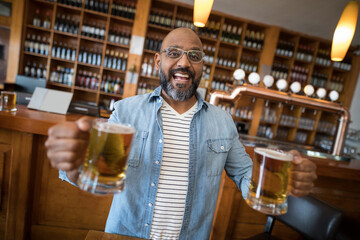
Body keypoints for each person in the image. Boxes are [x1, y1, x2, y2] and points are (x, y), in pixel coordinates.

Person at [45, 27, 317, 240]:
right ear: (157, 60)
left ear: (202, 66)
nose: (184, 62)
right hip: (125, 236)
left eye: (194, 56)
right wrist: (75, 163)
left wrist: (283, 180)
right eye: (173, 52)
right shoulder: (126, 111)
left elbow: (247, 177)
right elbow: (90, 175)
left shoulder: (223, 122)